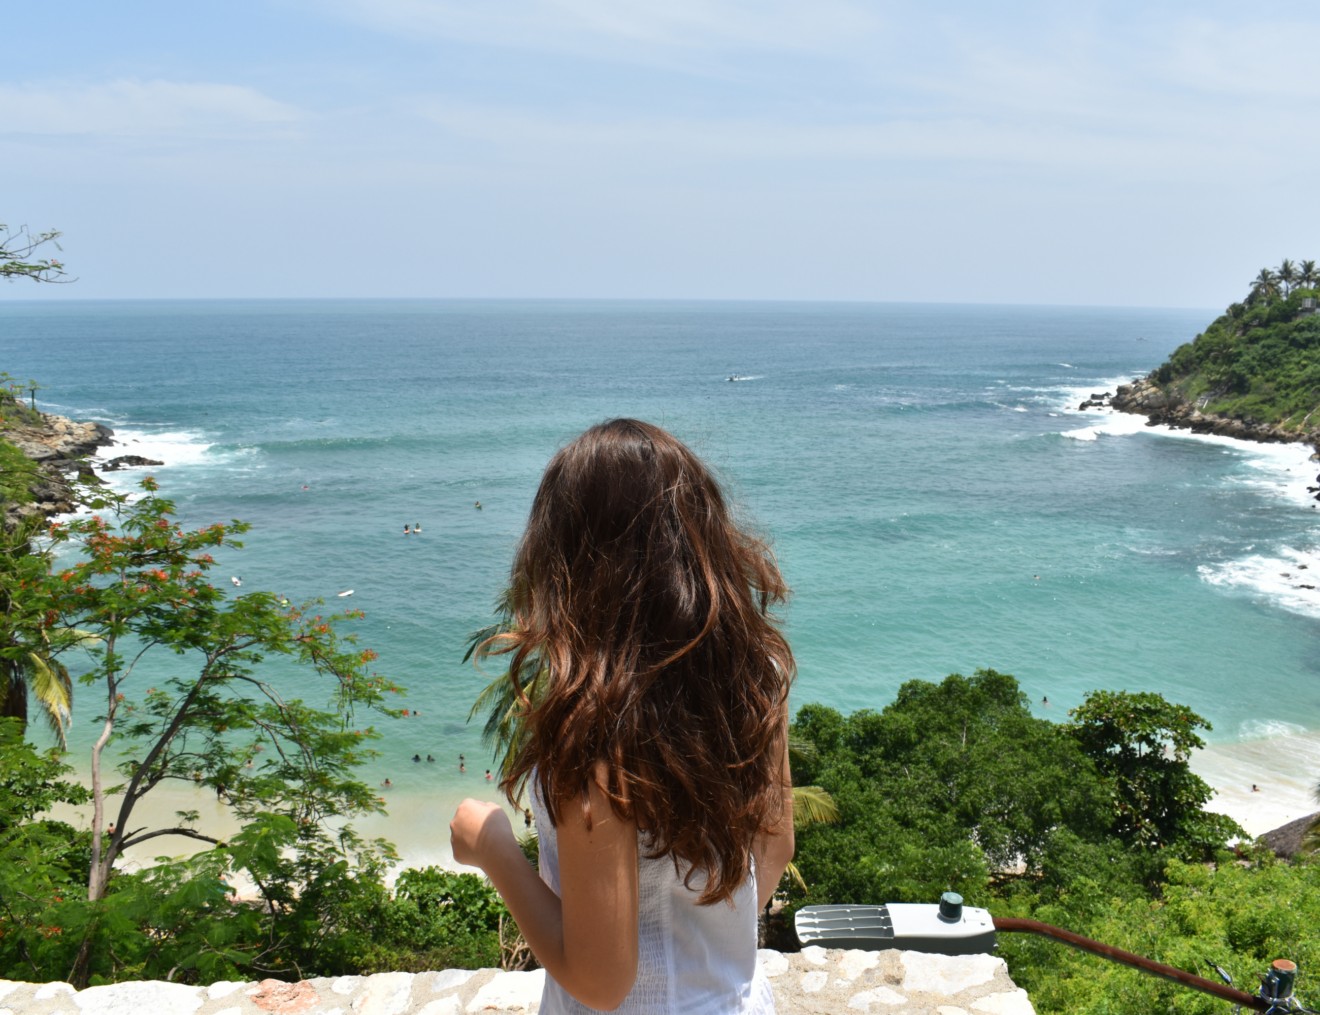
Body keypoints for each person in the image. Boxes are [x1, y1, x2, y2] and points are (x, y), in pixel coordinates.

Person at [450, 419, 794, 1015]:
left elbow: (602, 983)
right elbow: (774, 849)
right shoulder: (753, 672)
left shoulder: (594, 725)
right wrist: (698, 942)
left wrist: (493, 848)